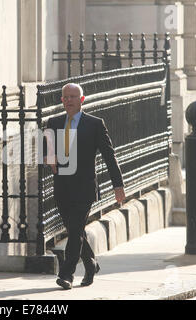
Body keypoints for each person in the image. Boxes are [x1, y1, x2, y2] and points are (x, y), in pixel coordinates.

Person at [45, 83, 125, 290]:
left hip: (85, 188)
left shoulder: (95, 124)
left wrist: (118, 185)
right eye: (66, 97)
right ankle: (91, 264)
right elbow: (46, 147)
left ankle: (67, 274)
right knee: (75, 230)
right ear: (62, 100)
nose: (69, 100)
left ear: (82, 100)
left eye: (73, 97)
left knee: (74, 232)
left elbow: (109, 155)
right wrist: (49, 155)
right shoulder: (53, 123)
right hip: (62, 186)